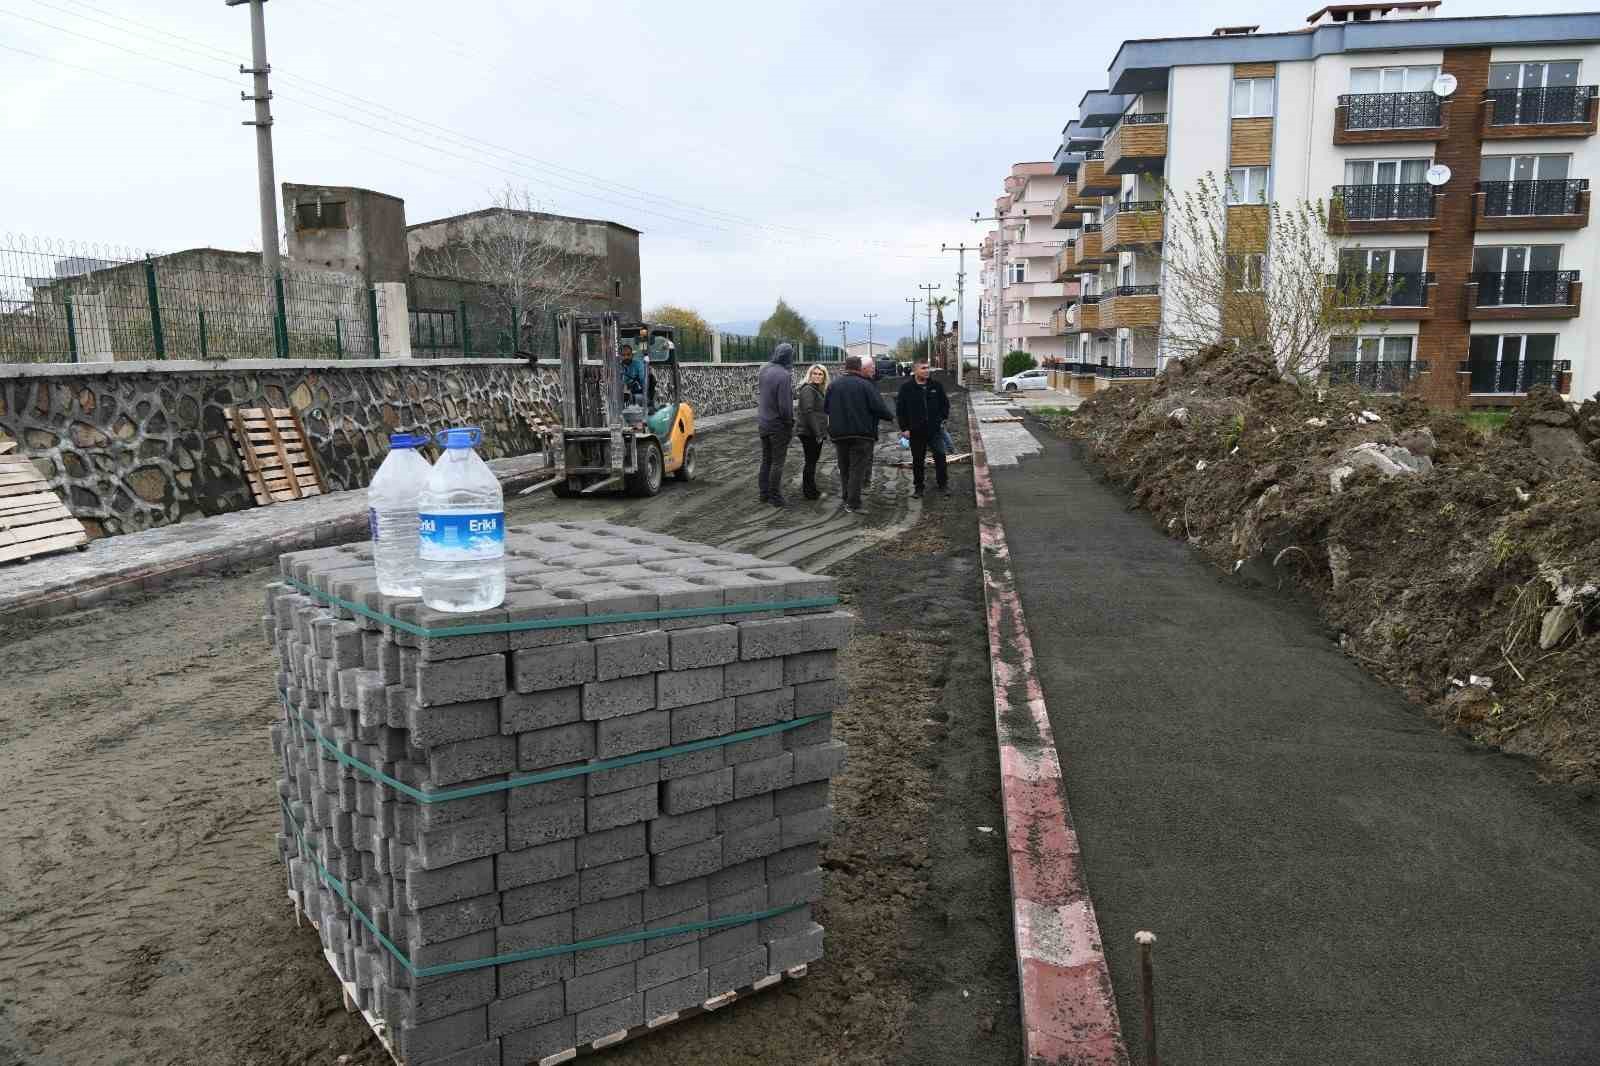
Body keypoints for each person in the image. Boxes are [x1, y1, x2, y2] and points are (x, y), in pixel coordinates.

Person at [824, 354, 895, 515]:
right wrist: (890, 416)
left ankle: (846, 495)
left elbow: (826, 408)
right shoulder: (866, 385)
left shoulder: (833, 385)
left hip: (839, 435)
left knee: (844, 467)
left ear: (845, 367)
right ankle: (853, 504)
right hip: (861, 434)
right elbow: (878, 407)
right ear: (859, 368)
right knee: (857, 469)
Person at [896, 361, 951, 498]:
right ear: (915, 370)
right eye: (923, 368)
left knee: (940, 458)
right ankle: (919, 488)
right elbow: (900, 410)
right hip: (916, 431)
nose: (927, 371)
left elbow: (945, 404)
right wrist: (904, 428)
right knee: (918, 461)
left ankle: (943, 485)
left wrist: (942, 419)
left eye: (928, 368)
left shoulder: (936, 386)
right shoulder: (907, 388)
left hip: (935, 430)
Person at [756, 342, 796, 506]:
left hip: (763, 422)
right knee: (777, 462)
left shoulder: (764, 369)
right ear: (788, 356)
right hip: (778, 426)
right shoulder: (784, 375)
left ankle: (764, 494)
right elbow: (785, 406)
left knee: (766, 460)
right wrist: (790, 423)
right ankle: (776, 497)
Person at [796, 363, 830, 500]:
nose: (817, 376)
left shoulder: (817, 389)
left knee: (812, 461)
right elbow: (808, 412)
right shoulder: (808, 390)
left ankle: (810, 489)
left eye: (820, 374)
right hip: (809, 433)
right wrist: (818, 433)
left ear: (824, 377)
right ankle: (810, 492)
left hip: (813, 431)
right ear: (810, 375)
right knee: (810, 462)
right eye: (814, 373)